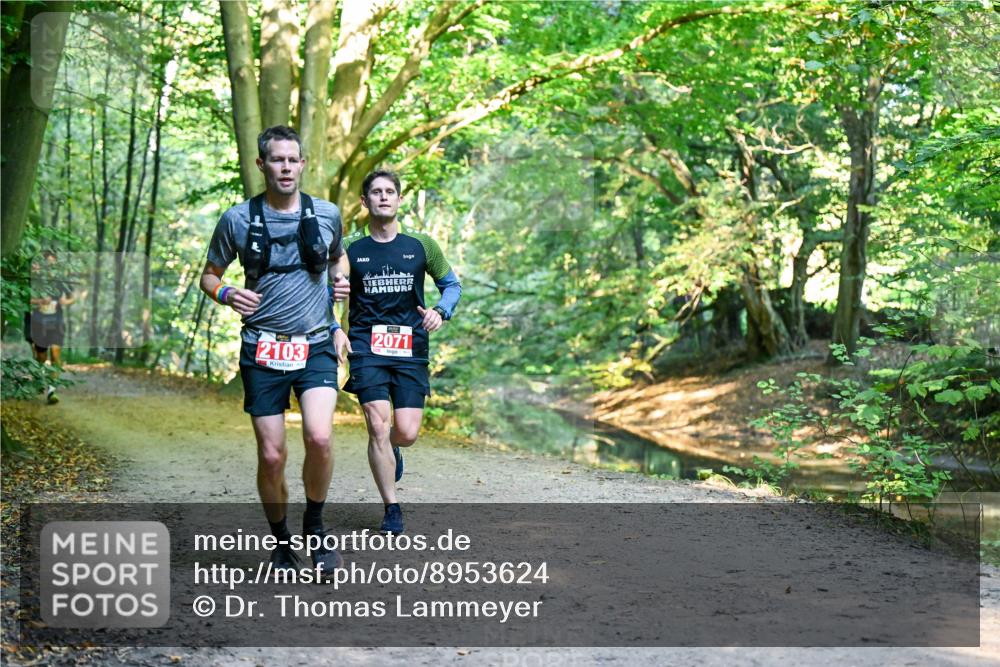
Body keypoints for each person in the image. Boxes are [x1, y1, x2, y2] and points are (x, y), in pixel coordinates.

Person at [200, 125, 350, 573]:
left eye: (293, 160)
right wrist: (226, 294)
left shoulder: (326, 213)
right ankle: (281, 541)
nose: (286, 167)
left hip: (317, 343)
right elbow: (209, 275)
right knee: (272, 455)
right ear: (262, 165)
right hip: (263, 349)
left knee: (320, 436)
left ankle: (316, 528)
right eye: (277, 160)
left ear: (303, 164)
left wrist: (340, 282)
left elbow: (338, 256)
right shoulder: (237, 219)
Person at [336, 169, 461, 534]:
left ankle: (394, 450)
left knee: (404, 432)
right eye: (376, 192)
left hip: (410, 347)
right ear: (365, 202)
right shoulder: (349, 249)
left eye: (390, 191)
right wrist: (333, 321)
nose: (384, 197)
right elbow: (327, 289)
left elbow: (451, 284)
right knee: (378, 425)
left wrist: (440, 310)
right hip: (366, 346)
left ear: (400, 199)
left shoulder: (421, 245)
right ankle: (391, 507)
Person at [27, 251, 74, 404]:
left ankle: (52, 390)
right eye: (48, 263)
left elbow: (71, 298)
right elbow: (24, 298)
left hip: (56, 323)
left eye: (53, 263)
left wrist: (64, 302)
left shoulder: (60, 281)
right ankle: (40, 379)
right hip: (39, 322)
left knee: (55, 354)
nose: (50, 266)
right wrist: (39, 301)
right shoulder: (35, 281)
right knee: (41, 357)